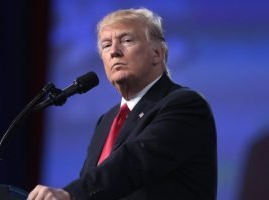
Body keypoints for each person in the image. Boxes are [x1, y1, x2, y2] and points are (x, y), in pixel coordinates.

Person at [28, 8, 217, 200]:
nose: (114, 52)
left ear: (157, 54)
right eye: (106, 45)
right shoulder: (107, 121)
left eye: (126, 41)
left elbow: (134, 162)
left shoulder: (185, 105)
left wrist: (70, 194)